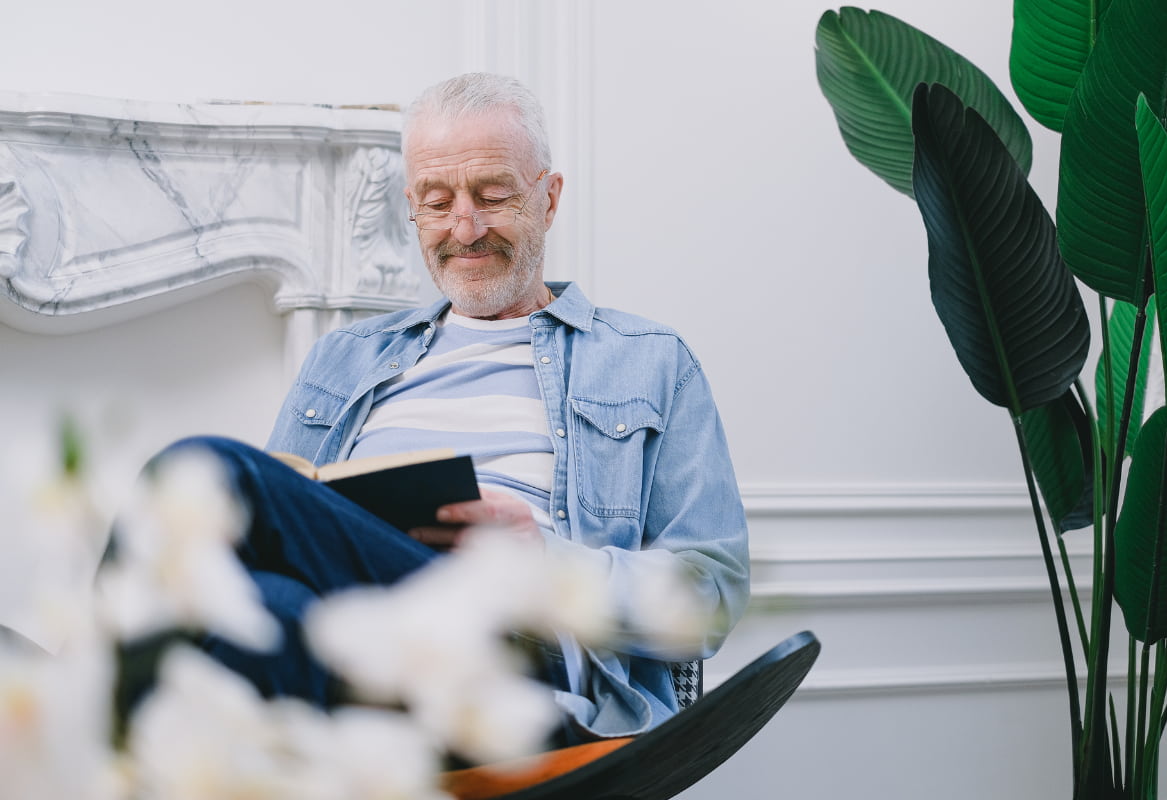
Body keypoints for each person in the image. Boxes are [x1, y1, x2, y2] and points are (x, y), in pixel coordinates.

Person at [167, 72, 749, 743]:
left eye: (493, 195)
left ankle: (98, 705)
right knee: (264, 604)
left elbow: (713, 595)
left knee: (201, 467)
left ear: (550, 197)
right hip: (352, 635)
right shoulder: (342, 358)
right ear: (410, 206)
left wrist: (543, 562)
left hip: (519, 661)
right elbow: (268, 532)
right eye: (436, 203)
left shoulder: (650, 360)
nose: (465, 229)